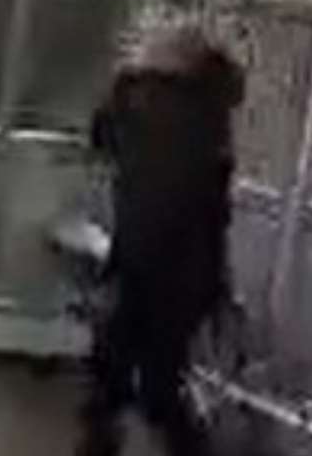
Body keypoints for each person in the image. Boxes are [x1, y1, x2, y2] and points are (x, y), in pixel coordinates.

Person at [77, 25, 243, 456]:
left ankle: (101, 444)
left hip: (142, 256)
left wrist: (126, 72)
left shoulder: (137, 99)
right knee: (158, 383)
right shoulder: (212, 114)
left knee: (112, 374)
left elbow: (100, 138)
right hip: (190, 265)